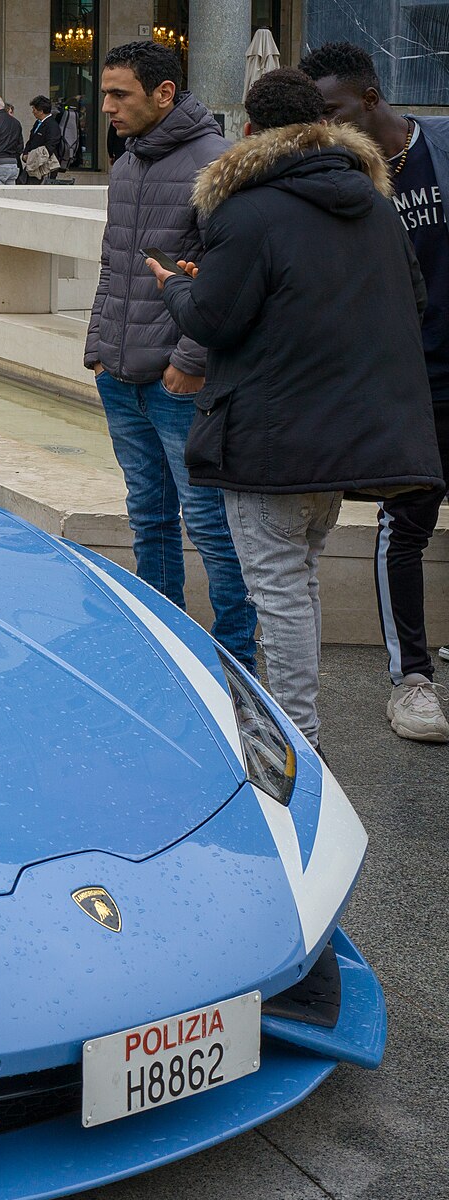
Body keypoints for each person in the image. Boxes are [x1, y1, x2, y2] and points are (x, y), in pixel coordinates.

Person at [150, 67, 442, 751]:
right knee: (300, 578)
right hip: (344, 440)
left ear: (248, 130)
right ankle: (299, 729)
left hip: (271, 439)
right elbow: (413, 298)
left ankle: (295, 744)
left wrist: (175, 291)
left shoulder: (244, 209)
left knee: (276, 591)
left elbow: (216, 322)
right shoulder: (372, 203)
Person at [85, 41, 256, 667]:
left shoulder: (216, 162)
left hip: (177, 383)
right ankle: (165, 653)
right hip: (121, 374)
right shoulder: (127, 164)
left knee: (210, 526)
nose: (107, 106)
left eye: (119, 94)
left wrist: (189, 359)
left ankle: (237, 661)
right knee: (148, 518)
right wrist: (98, 348)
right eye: (104, 93)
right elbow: (113, 264)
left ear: (164, 93)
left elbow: (229, 275)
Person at [302, 40, 449, 741]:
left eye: (331, 110)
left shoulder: (441, 146)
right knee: (405, 525)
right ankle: (411, 680)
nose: (324, 126)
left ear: (370, 98)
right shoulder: (341, 174)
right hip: (405, 382)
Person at [22, 96, 62, 183]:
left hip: (44, 166)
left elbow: (50, 147)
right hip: (33, 164)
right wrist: (25, 153)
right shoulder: (38, 122)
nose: (33, 112)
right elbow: (31, 140)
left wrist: (32, 156)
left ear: (41, 111)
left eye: (34, 109)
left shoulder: (52, 125)